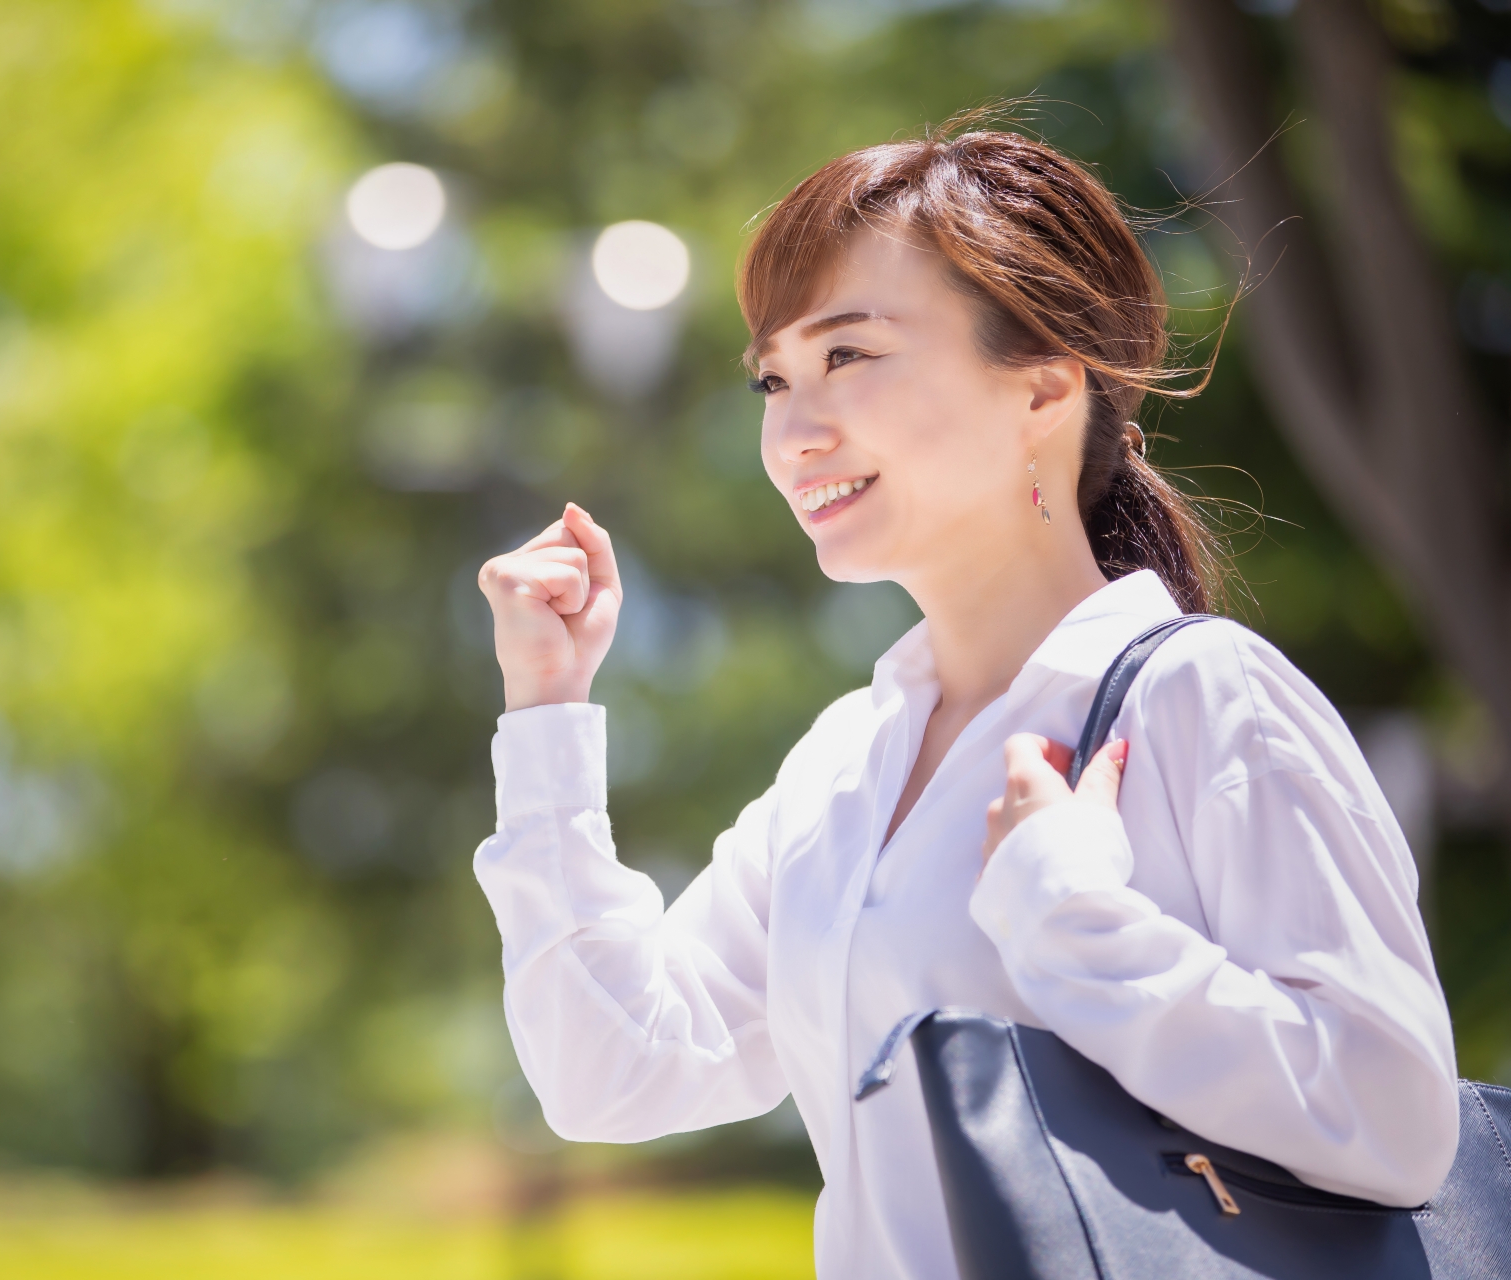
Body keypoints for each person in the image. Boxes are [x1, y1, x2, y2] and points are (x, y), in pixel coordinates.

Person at [470, 124, 1459, 1280]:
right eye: (773, 378)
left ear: (1043, 385)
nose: (793, 430)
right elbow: (619, 1070)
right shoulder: (851, 758)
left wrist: (1068, 913)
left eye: (849, 356)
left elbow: (1396, 1120)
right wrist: (547, 714)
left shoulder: (1205, 695)